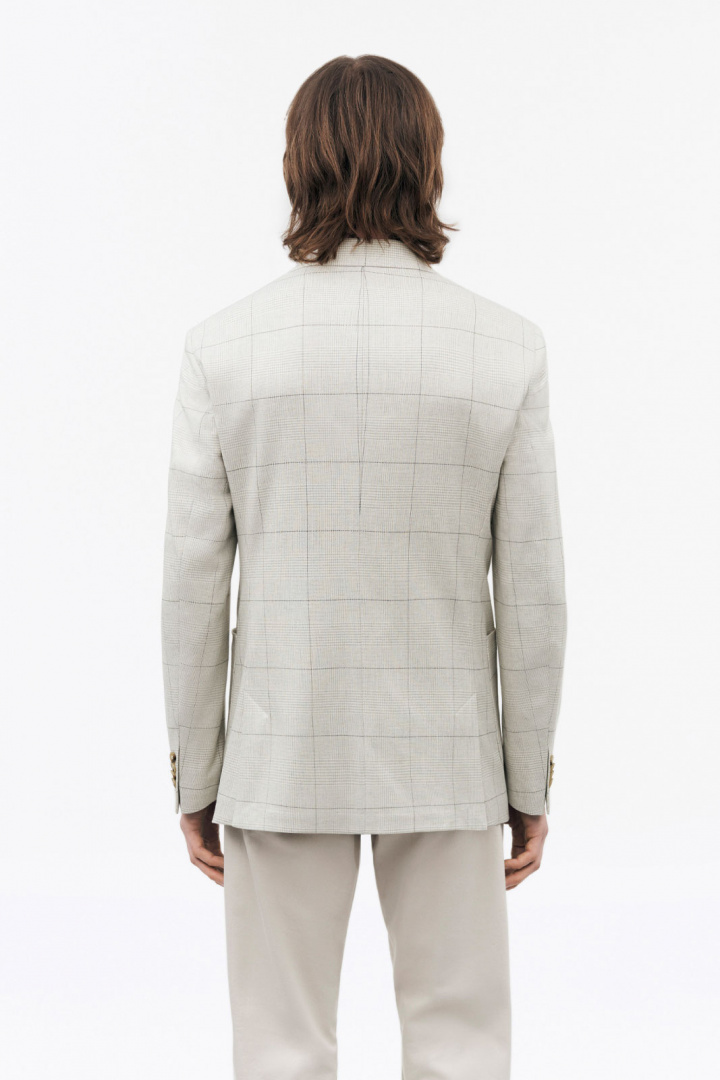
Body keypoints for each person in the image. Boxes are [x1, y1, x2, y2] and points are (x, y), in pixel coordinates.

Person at [161, 53, 567, 1080]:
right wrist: (527, 778)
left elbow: (193, 589)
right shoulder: (504, 348)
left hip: (279, 749)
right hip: (452, 753)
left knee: (279, 1050)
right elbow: (533, 592)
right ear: (428, 160)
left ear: (297, 162)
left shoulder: (225, 349)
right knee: (462, 1047)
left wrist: (197, 774)